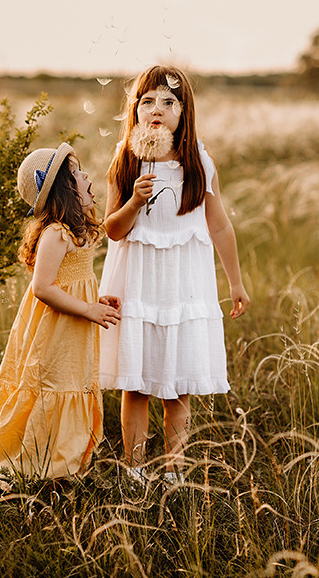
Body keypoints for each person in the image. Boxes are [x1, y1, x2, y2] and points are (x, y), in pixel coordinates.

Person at [99, 65, 249, 484]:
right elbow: (112, 229)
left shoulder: (197, 161)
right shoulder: (126, 158)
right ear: (135, 110)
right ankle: (134, 470)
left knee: (177, 383)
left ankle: (174, 471)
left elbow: (219, 225)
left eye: (169, 102)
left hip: (182, 285)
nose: (157, 109)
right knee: (136, 383)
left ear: (184, 112)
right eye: (147, 101)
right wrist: (134, 201)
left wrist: (235, 281)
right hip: (138, 283)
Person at [0, 143, 122, 481]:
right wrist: (87, 308)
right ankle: (33, 462)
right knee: (52, 383)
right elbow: (43, 288)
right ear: (64, 188)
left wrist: (96, 299)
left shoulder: (75, 233)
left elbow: (72, 281)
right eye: (76, 173)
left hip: (75, 324)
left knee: (72, 381)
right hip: (55, 329)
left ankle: (64, 463)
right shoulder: (55, 234)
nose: (87, 176)